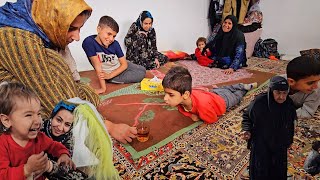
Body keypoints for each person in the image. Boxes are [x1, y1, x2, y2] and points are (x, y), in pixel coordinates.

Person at [0, 0, 137, 144]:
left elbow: (72, 79)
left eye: (79, 29)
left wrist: (79, 93)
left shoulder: (44, 29)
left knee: (82, 93)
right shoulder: (19, 39)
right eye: (71, 28)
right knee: (60, 124)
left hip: (43, 88)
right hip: (15, 99)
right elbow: (51, 97)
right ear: (52, 17)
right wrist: (107, 126)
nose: (77, 37)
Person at [0, 82, 74, 180]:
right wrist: (26, 170)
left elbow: (54, 145)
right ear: (7, 120)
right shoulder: (3, 145)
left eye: (38, 114)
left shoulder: (39, 138)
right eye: (28, 115)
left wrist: (63, 154)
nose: (37, 121)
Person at [42, 99, 121, 180]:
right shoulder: (40, 126)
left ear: (71, 127)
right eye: (58, 120)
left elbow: (63, 169)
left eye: (67, 124)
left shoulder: (69, 139)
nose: (60, 127)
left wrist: (56, 161)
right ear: (52, 116)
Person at [241, 76, 297, 180]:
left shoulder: (289, 104)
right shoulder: (259, 102)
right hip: (261, 141)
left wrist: (289, 140)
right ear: (271, 91)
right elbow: (247, 116)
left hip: (279, 142)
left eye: (284, 93)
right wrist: (246, 129)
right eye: (278, 93)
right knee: (260, 170)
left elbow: (290, 124)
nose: (282, 97)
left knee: (279, 170)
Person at [162, 66, 257, 123]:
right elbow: (182, 109)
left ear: (186, 95)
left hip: (224, 100)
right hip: (213, 93)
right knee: (226, 88)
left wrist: (200, 118)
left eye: (170, 95)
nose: (165, 98)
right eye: (165, 93)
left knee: (237, 96)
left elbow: (212, 119)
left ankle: (244, 89)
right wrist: (190, 115)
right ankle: (240, 85)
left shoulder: (202, 106)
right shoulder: (180, 100)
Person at [82, 15, 146, 94]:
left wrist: (124, 64)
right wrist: (103, 88)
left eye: (114, 36)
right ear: (99, 29)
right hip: (112, 75)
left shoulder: (115, 44)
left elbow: (124, 65)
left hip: (119, 65)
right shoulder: (89, 42)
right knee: (141, 74)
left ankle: (128, 66)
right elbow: (98, 67)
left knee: (142, 69)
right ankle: (117, 77)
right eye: (109, 34)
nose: (111, 39)